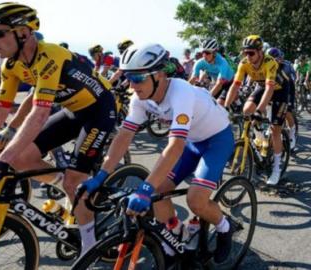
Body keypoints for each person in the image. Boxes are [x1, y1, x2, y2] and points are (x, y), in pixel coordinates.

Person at [0, 2, 116, 254]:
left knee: (73, 180)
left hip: (99, 110)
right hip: (72, 109)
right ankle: (72, 188)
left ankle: (91, 247)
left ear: (24, 33)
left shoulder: (50, 56)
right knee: (23, 159)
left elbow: (38, 114)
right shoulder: (11, 64)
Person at [80, 43, 235, 265]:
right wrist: (101, 175)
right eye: (128, 77)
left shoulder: (181, 91)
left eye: (138, 78)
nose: (132, 85)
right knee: (159, 191)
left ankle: (224, 227)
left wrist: (144, 188)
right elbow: (123, 136)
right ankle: (173, 238)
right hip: (193, 141)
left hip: (216, 139)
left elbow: (175, 146)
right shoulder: (140, 98)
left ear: (159, 74)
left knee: (195, 200)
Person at [224, 35, 290, 185]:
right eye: (245, 52)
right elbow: (235, 86)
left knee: (275, 130)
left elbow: (270, 88)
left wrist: (260, 110)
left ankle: (276, 169)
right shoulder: (244, 63)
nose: (248, 56)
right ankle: (261, 139)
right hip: (262, 86)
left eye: (251, 53)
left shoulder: (270, 62)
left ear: (260, 52)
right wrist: (225, 107)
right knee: (246, 110)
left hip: (280, 89)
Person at [267, 47, 298, 150]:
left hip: (288, 89)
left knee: (287, 112)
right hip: (274, 88)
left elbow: (291, 82)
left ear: (279, 58)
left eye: (272, 59)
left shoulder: (286, 66)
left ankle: (292, 134)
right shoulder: (266, 65)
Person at [188, 39, 234, 106]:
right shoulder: (200, 62)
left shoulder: (222, 62)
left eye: (207, 53)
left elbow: (219, 84)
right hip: (216, 82)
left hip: (229, 82)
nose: (204, 56)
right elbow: (193, 78)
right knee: (211, 103)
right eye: (203, 53)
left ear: (214, 53)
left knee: (219, 103)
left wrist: (207, 98)